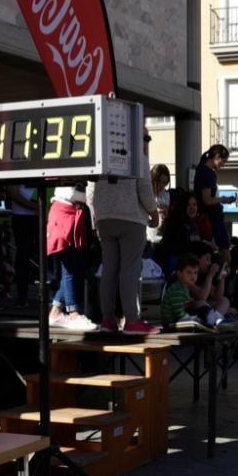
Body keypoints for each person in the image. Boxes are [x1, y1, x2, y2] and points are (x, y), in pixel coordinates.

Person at [87, 132, 160, 334]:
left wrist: (96, 216)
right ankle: (132, 320)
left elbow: (90, 190)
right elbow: (144, 188)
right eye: (145, 139)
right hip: (132, 217)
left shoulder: (102, 154)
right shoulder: (139, 157)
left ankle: (107, 320)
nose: (146, 143)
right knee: (130, 269)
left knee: (109, 268)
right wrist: (154, 212)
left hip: (104, 217)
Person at [46, 184, 97, 331]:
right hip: (64, 215)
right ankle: (73, 313)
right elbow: (76, 194)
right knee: (69, 268)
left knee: (72, 268)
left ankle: (55, 312)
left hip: (70, 214)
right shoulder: (70, 177)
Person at [194, 144, 235, 264]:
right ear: (216, 157)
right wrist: (223, 199)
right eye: (223, 161)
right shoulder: (207, 173)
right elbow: (207, 199)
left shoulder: (202, 171)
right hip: (213, 219)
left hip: (209, 219)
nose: (223, 165)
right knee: (226, 257)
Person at [6, 184, 38, 307]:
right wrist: (36, 206)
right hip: (22, 216)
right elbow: (12, 191)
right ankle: (22, 297)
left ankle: (56, 298)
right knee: (23, 256)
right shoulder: (14, 164)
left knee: (49, 254)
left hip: (39, 213)